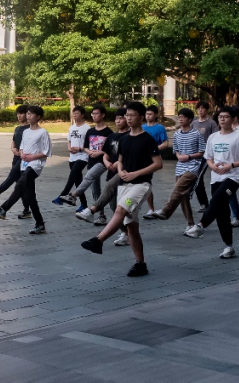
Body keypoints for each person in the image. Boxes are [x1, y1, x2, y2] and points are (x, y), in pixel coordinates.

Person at [80, 101, 163, 277]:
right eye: (127, 115)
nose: (128, 118)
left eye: (132, 115)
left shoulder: (147, 139)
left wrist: (135, 174)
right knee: (131, 226)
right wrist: (120, 170)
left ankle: (98, 240)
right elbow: (121, 159)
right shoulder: (123, 139)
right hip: (125, 185)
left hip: (141, 185)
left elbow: (158, 164)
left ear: (141, 117)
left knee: (119, 210)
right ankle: (140, 264)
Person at [184, 107, 239, 259]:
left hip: (232, 178)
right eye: (220, 117)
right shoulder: (213, 137)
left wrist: (232, 165)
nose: (222, 119)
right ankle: (229, 247)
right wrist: (212, 166)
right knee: (222, 213)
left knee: (217, 200)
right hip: (216, 177)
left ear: (233, 119)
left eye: (226, 116)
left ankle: (200, 226)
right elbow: (208, 157)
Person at [0, 105, 51, 234]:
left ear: (38, 117)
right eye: (27, 114)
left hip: (35, 165)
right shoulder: (26, 131)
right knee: (30, 196)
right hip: (23, 163)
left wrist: (33, 156)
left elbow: (47, 151)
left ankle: (3, 209)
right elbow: (22, 146)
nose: (28, 116)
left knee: (20, 184)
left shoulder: (43, 132)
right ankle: (40, 224)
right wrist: (21, 153)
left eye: (31, 114)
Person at [75, 107, 131, 241]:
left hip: (127, 177)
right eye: (117, 118)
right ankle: (126, 233)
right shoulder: (112, 136)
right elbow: (106, 153)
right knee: (114, 205)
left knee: (115, 195)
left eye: (121, 118)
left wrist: (118, 163)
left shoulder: (130, 137)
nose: (118, 120)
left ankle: (91, 209)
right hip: (112, 173)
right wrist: (106, 162)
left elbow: (130, 156)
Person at [149, 107, 204, 232]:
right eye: (179, 116)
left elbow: (202, 151)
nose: (180, 119)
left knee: (178, 189)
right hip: (180, 167)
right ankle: (190, 224)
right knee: (183, 196)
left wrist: (189, 156)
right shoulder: (177, 134)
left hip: (193, 167)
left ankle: (165, 211)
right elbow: (176, 151)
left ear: (190, 119)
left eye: (183, 117)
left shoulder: (197, 134)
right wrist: (180, 156)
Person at [0, 105, 30, 219]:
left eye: (21, 113)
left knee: (12, 175)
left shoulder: (30, 129)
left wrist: (22, 152)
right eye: (18, 113)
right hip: (16, 158)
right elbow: (13, 141)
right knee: (21, 187)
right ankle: (27, 210)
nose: (19, 116)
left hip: (24, 159)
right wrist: (12, 148)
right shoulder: (17, 128)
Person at [54, 106, 91, 206]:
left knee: (72, 176)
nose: (74, 115)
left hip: (83, 156)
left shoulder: (87, 128)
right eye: (73, 113)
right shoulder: (72, 127)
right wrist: (69, 148)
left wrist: (79, 148)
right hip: (72, 157)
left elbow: (90, 144)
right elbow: (69, 141)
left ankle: (63, 195)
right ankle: (84, 204)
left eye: (77, 113)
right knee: (78, 181)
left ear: (82, 115)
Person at [139, 104, 170, 219]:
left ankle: (151, 209)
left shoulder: (159, 128)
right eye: (147, 114)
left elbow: (166, 143)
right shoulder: (141, 127)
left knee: (146, 182)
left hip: (151, 160)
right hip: (139, 158)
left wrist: (154, 150)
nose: (148, 116)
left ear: (156, 115)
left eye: (150, 114)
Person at [191, 101, 217, 211]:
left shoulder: (211, 123)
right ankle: (204, 204)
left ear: (207, 110)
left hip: (206, 155)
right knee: (197, 179)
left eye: (203, 108)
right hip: (194, 154)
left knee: (199, 177)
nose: (200, 110)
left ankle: (209, 203)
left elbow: (215, 137)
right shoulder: (194, 123)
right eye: (199, 108)